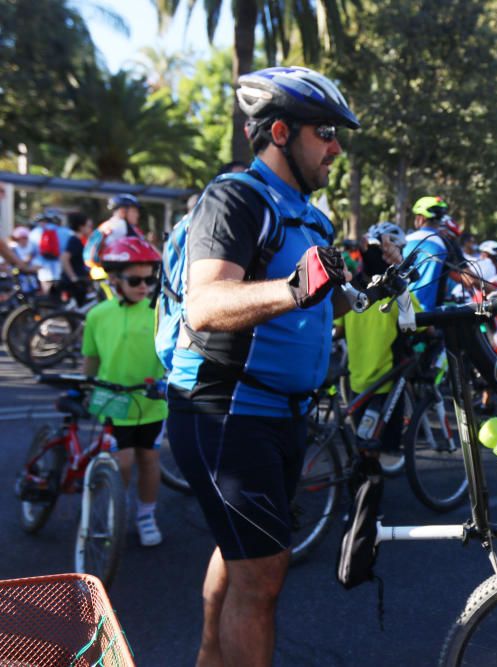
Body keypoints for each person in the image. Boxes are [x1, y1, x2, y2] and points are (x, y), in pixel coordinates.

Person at [164, 66, 370, 667]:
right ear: (280, 131)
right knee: (264, 579)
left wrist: (365, 285)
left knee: (240, 558)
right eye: (326, 132)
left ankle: (208, 658)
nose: (336, 147)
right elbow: (205, 304)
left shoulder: (313, 215)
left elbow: (318, 298)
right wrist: (296, 286)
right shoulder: (235, 198)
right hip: (226, 412)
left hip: (281, 416)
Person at [82, 237, 167, 547]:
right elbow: (91, 358)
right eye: (135, 280)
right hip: (113, 401)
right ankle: (117, 510)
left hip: (151, 404)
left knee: (149, 459)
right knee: (124, 461)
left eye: (149, 279)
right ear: (115, 279)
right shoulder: (98, 315)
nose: (144, 286)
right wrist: (86, 386)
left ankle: (146, 514)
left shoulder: (159, 312)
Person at [337, 222, 422, 455]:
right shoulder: (397, 294)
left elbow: (338, 328)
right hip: (385, 384)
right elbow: (421, 324)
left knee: (361, 445)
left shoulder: (350, 291)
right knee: (374, 452)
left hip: (356, 383)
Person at [403, 196, 467, 310]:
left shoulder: (405, 240)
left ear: (421, 218)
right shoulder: (445, 243)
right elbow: (468, 278)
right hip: (429, 315)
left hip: (402, 311)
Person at [59, 212, 93, 306]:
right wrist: (73, 277)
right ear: (81, 227)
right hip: (75, 283)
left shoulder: (80, 241)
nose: (91, 229)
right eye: (89, 226)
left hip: (80, 280)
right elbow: (64, 258)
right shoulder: (75, 241)